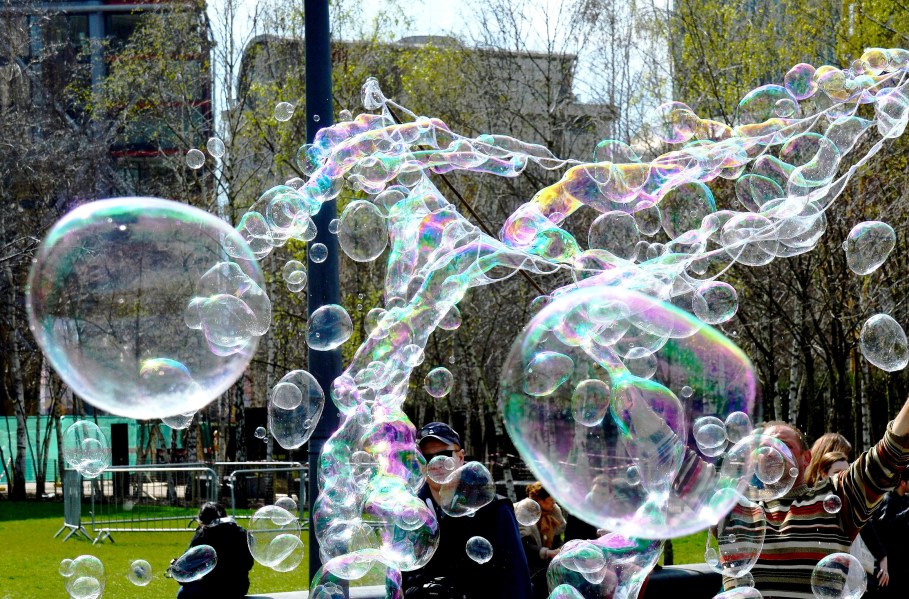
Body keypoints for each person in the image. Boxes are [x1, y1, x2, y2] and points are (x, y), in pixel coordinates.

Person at [720, 402, 909, 599]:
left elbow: (886, 456)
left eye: (784, 445)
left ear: (806, 458)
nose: (771, 452)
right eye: (764, 447)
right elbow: (686, 467)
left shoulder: (836, 498)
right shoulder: (733, 502)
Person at [401, 422, 533, 599]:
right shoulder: (411, 511)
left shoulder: (494, 509)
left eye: (444, 455)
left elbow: (516, 579)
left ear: (461, 457)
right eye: (427, 457)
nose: (436, 463)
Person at [175, 502, 255, 598]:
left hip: (210, 588)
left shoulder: (203, 535)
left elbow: (187, 566)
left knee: (183, 593)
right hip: (238, 588)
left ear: (202, 521)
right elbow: (249, 563)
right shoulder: (242, 533)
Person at [518, 482, 567, 599]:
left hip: (547, 568)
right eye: (551, 500)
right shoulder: (521, 512)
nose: (554, 503)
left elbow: (557, 537)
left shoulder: (554, 513)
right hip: (529, 569)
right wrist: (547, 553)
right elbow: (524, 545)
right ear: (539, 500)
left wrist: (560, 549)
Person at [865, 470, 909, 597]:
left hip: (903, 558)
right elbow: (885, 523)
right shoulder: (888, 499)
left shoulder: (905, 499)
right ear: (903, 483)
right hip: (891, 560)